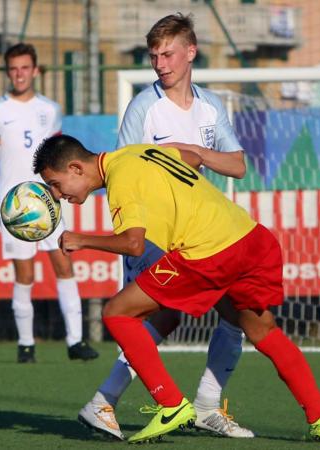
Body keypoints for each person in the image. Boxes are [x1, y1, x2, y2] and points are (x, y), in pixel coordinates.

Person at [33, 135, 320, 443]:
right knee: (262, 330)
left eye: (56, 184)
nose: (58, 195)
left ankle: (171, 405)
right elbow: (191, 158)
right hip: (251, 238)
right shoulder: (137, 153)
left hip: (208, 251)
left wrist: (81, 240)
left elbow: (133, 244)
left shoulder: (120, 177)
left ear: (75, 168)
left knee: (118, 313)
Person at [77, 13, 253, 440]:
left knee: (237, 310)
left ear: (190, 52)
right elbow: (121, 171)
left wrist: (195, 152)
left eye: (168, 53)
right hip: (154, 237)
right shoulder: (143, 107)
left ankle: (207, 406)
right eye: (154, 55)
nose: (160, 63)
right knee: (154, 318)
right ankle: (104, 402)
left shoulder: (212, 105)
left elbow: (239, 165)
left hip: (201, 236)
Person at [0, 43, 98, 364]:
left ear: (35, 70)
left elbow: (57, 155)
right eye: (14, 69)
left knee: (64, 265)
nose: (19, 74)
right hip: (14, 206)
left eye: (25, 68)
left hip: (48, 200)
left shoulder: (51, 108)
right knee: (24, 274)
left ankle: (76, 341)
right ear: (8, 72)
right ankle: (26, 345)